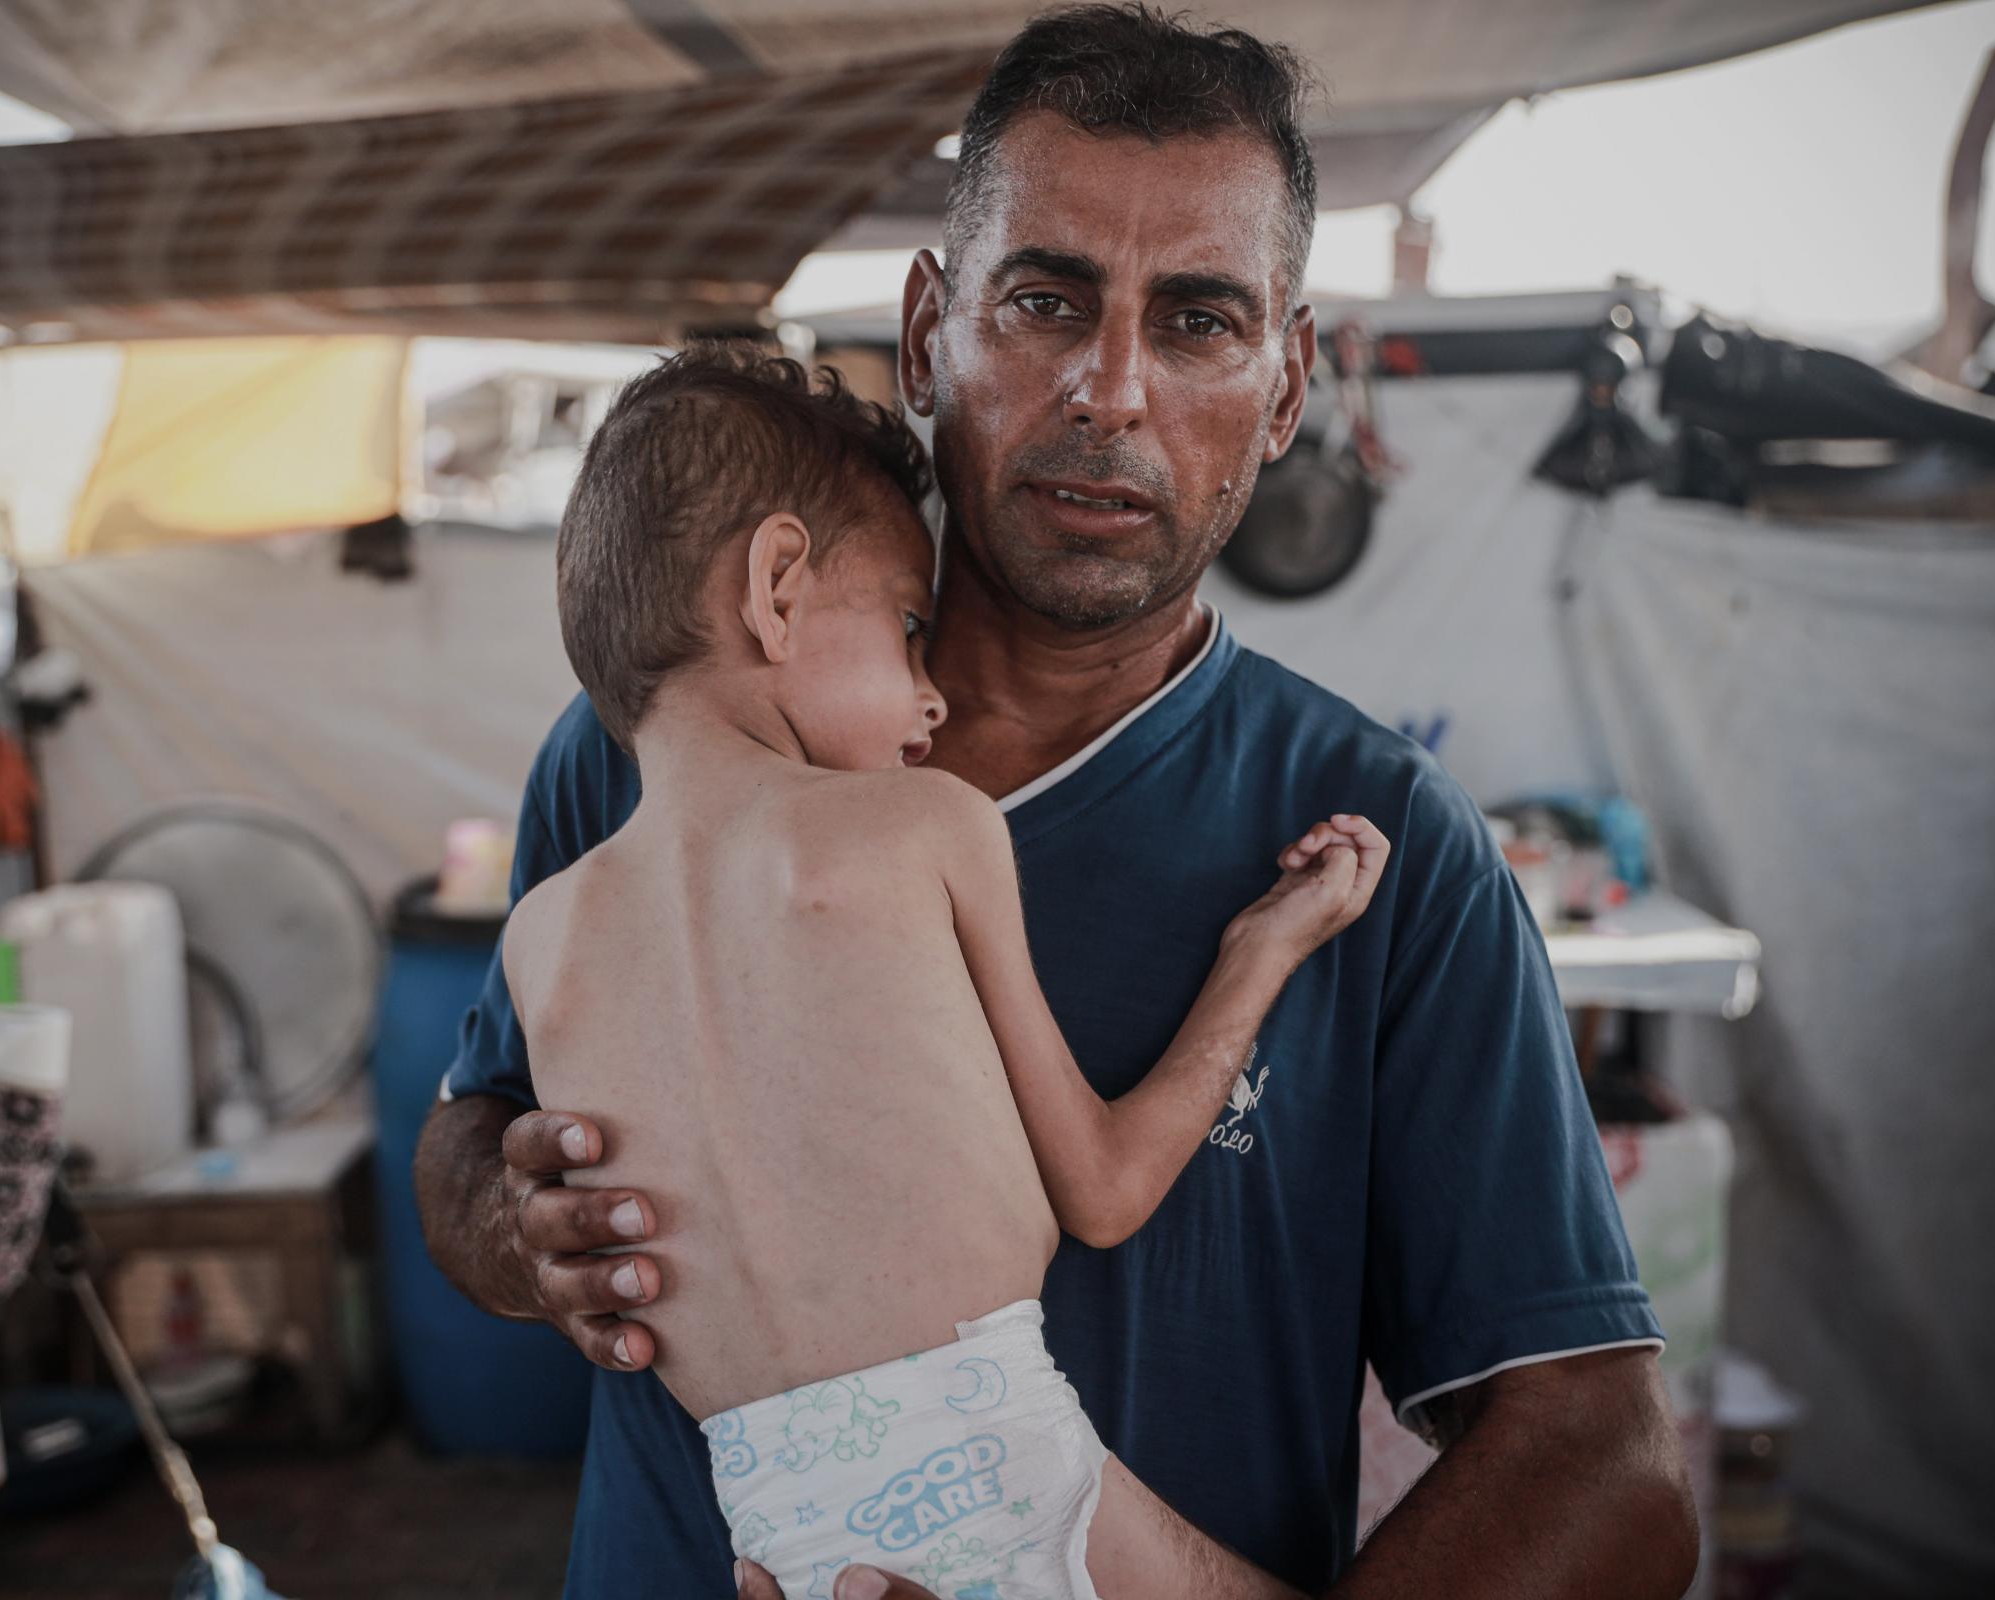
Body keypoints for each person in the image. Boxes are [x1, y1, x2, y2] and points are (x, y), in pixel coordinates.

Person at [417, 7, 1698, 1597]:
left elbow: (1603, 1459)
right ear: (926, 331)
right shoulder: (634, 749)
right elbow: (470, 1133)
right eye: (1045, 300)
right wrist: (519, 1229)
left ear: (1288, 383)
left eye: (1201, 321)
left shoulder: (1379, 844)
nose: (1111, 389)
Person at [502, 339, 1389, 1599]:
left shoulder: (545, 934)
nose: (931, 703)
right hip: (993, 1460)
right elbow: (1105, 1189)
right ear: (777, 584)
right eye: (910, 630)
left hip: (775, 1527)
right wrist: (1266, 948)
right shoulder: (928, 825)